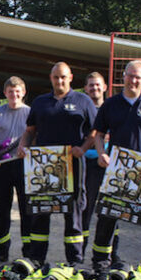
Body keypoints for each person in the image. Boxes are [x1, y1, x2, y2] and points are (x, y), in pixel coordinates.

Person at [91, 60, 141, 280]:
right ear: (123, 76)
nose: (134, 80)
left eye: (138, 77)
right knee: (108, 215)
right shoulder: (111, 104)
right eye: (130, 76)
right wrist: (101, 153)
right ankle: (100, 261)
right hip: (118, 169)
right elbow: (98, 133)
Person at [18, 62, 96, 267]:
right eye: (55, 77)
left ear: (70, 77)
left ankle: (75, 259)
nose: (59, 81)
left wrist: (83, 148)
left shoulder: (83, 101)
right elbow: (29, 130)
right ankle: (36, 257)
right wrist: (23, 147)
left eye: (63, 77)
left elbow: (95, 132)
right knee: (41, 211)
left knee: (74, 212)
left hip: (73, 164)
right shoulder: (40, 102)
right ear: (51, 78)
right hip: (44, 167)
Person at [0, 76, 31, 262]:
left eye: (17, 91)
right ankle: (1, 251)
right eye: (10, 91)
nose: (14, 95)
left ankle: (29, 252)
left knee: (27, 210)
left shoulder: (31, 113)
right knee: (1, 210)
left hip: (24, 166)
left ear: (23, 92)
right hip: (0, 166)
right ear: (5, 94)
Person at [81, 72, 121, 261]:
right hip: (87, 164)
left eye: (97, 85)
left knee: (112, 209)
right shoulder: (81, 108)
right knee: (85, 209)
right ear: (85, 88)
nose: (94, 88)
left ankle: (113, 254)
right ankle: (79, 253)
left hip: (111, 165)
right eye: (90, 85)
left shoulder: (114, 108)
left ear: (105, 87)